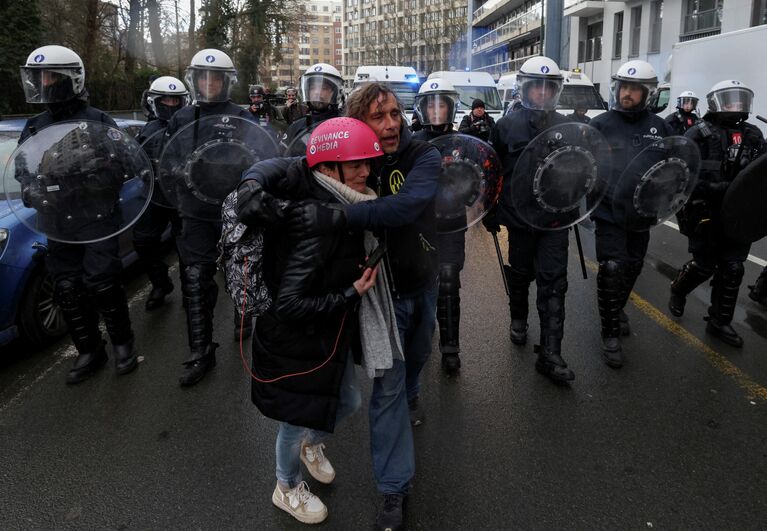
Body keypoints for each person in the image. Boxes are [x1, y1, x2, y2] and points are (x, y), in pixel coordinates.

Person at [237, 82, 442, 531]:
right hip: (362, 302)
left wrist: (335, 216)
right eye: (377, 116)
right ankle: (394, 490)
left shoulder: (422, 155)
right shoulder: (334, 158)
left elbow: (404, 207)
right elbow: (289, 165)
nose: (389, 125)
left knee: (404, 375)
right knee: (358, 392)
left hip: (412, 286)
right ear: (354, 125)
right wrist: (252, 182)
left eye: (395, 114)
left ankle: (397, 419)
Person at [249, 118, 384, 524]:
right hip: (294, 344)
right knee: (294, 421)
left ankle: (312, 445)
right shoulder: (319, 224)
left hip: (324, 339)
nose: (366, 172)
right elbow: (288, 304)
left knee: (348, 400)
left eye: (367, 163)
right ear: (327, 170)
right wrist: (350, 294)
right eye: (355, 165)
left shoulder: (339, 207)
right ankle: (285, 487)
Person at [17, 45, 138, 383]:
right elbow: (23, 169)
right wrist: (30, 189)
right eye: (39, 76)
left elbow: (127, 166)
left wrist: (92, 174)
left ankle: (122, 344)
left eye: (51, 76)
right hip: (55, 221)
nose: (44, 82)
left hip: (97, 217)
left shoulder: (98, 120)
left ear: (72, 78)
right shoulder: (35, 124)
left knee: (103, 281)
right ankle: (89, 348)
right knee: (67, 286)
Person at [483, 56, 575, 383]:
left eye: (548, 86)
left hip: (555, 219)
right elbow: (491, 171)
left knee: (554, 281)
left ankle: (551, 353)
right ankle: (518, 317)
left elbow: (582, 168)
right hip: (519, 217)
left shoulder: (568, 125)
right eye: (536, 85)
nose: (541, 92)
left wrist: (579, 196)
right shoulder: (506, 126)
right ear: (525, 87)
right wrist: (488, 209)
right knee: (521, 274)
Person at [165, 48, 254, 386]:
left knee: (241, 275)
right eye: (202, 77)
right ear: (194, 79)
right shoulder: (182, 118)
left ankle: (242, 317)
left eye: (215, 78)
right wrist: (180, 173)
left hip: (235, 212)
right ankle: (200, 352)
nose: (208, 83)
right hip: (196, 213)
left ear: (226, 81)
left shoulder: (243, 116)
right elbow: (168, 158)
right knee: (195, 280)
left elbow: (258, 157)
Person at [588, 60, 673, 368]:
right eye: (624, 87)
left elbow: (674, 166)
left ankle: (617, 306)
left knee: (633, 266)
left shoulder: (660, 127)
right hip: (608, 210)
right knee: (611, 266)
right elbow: (584, 163)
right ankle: (609, 333)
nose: (627, 94)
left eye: (634, 89)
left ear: (646, 93)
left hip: (641, 212)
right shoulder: (601, 124)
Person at [669, 80, 766, 347]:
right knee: (704, 266)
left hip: (738, 215)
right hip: (705, 212)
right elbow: (681, 174)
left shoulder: (754, 135)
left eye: (740, 99)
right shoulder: (698, 134)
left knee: (733, 268)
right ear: (715, 102)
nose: (736, 105)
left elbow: (761, 174)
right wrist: (717, 188)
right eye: (730, 99)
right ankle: (678, 289)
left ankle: (719, 321)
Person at [412, 78, 464, 374]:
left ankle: (450, 347)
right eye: (430, 104)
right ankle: (421, 338)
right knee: (420, 284)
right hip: (419, 224)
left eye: (441, 104)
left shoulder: (462, 142)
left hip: (452, 223)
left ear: (450, 108)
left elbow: (478, 181)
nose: (435, 110)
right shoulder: (413, 142)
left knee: (448, 280)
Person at [133, 76, 189, 311]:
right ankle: (160, 282)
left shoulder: (190, 127)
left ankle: (191, 290)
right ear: (154, 101)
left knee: (187, 245)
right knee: (143, 241)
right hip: (153, 194)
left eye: (175, 100)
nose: (170, 104)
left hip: (183, 195)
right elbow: (135, 159)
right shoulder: (146, 129)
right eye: (165, 99)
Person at [281, 63, 344, 150]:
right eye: (313, 88)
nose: (317, 92)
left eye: (324, 88)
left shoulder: (345, 125)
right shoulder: (296, 127)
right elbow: (281, 157)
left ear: (336, 93)